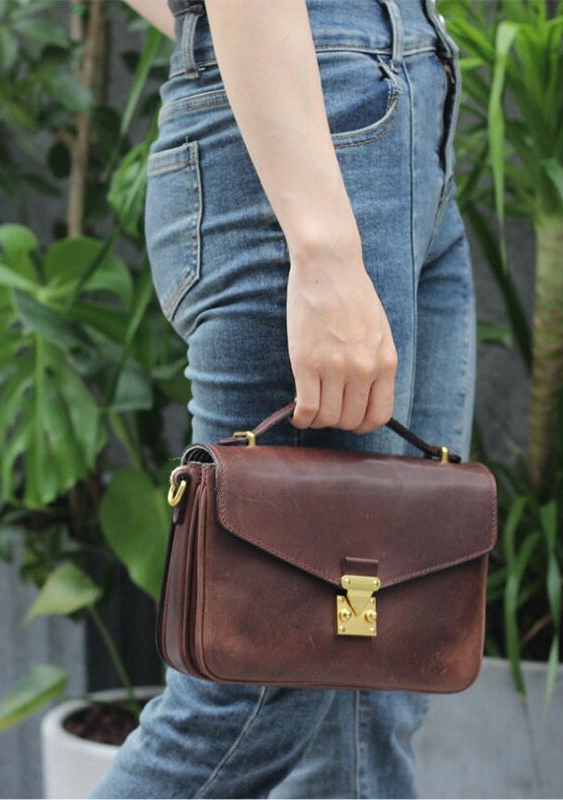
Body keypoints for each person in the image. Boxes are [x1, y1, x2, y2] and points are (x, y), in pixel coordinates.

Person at [92, 0, 474, 796]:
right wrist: (326, 250)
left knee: (380, 674)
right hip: (319, 146)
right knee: (257, 688)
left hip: (393, 121)